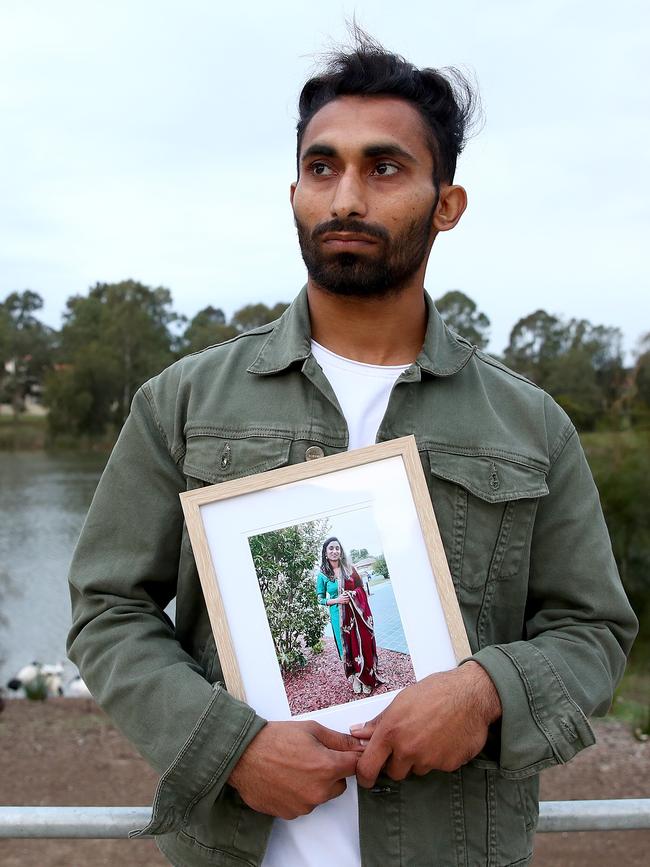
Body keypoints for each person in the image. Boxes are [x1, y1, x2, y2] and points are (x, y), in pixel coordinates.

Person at [67, 27, 637, 867]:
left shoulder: (531, 424)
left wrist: (484, 694)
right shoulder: (182, 402)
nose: (345, 199)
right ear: (293, 190)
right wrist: (231, 747)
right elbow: (108, 609)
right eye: (322, 167)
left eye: (385, 168)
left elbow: (592, 627)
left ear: (447, 204)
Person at [316, 536, 382, 695]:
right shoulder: (323, 575)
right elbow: (320, 599)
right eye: (330, 548)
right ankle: (354, 676)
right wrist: (336, 600)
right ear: (325, 552)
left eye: (337, 548)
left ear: (341, 551)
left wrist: (353, 595)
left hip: (355, 615)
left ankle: (364, 676)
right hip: (338, 617)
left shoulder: (350, 569)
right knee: (346, 648)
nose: (334, 551)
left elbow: (361, 589)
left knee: (359, 644)